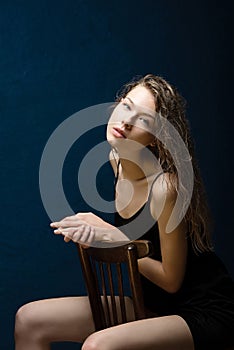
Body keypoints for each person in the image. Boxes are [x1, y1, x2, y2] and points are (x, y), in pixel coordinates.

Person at [14, 74, 234, 350]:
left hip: (200, 311)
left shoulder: (165, 188)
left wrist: (114, 238)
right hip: (152, 304)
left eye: (144, 120)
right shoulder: (116, 161)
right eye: (127, 106)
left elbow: (171, 281)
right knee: (29, 320)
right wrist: (93, 237)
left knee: (98, 346)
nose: (126, 122)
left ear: (156, 139)